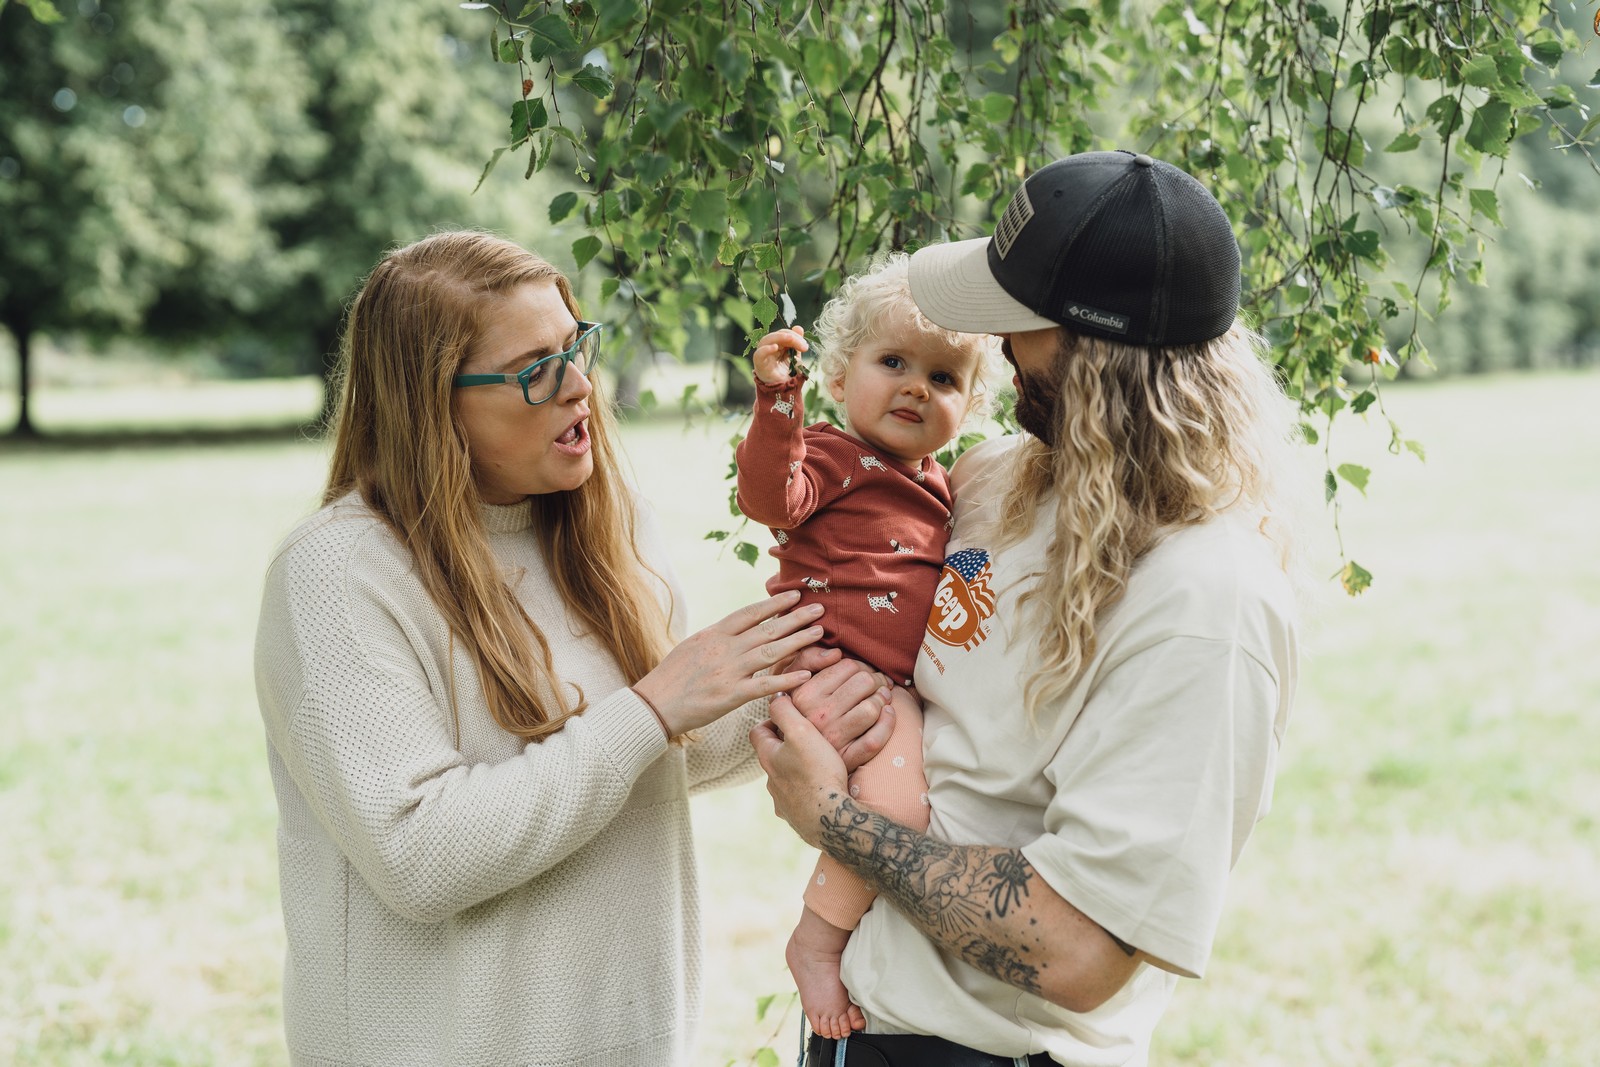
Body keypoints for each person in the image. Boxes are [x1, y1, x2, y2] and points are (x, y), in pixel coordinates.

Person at [252, 231, 893, 1067]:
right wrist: (656, 705)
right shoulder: (339, 571)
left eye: (575, 347)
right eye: (535, 370)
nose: (581, 386)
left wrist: (803, 693)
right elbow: (419, 853)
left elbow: (649, 757)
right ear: (429, 401)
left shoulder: (608, 527)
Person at [752, 150, 1303, 1066]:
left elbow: (1081, 948)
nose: (1000, 349)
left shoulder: (1210, 600)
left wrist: (836, 821)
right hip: (860, 1022)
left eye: (1021, 324)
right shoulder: (992, 481)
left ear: (1098, 353)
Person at [734, 254, 1002, 1038]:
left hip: (891, 685)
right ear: (841, 377)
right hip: (832, 670)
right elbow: (766, 495)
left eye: (944, 378)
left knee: (916, 801)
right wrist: (778, 403)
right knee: (894, 812)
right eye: (893, 363)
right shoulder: (825, 455)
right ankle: (816, 943)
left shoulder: (942, 486)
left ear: (970, 404)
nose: (917, 386)